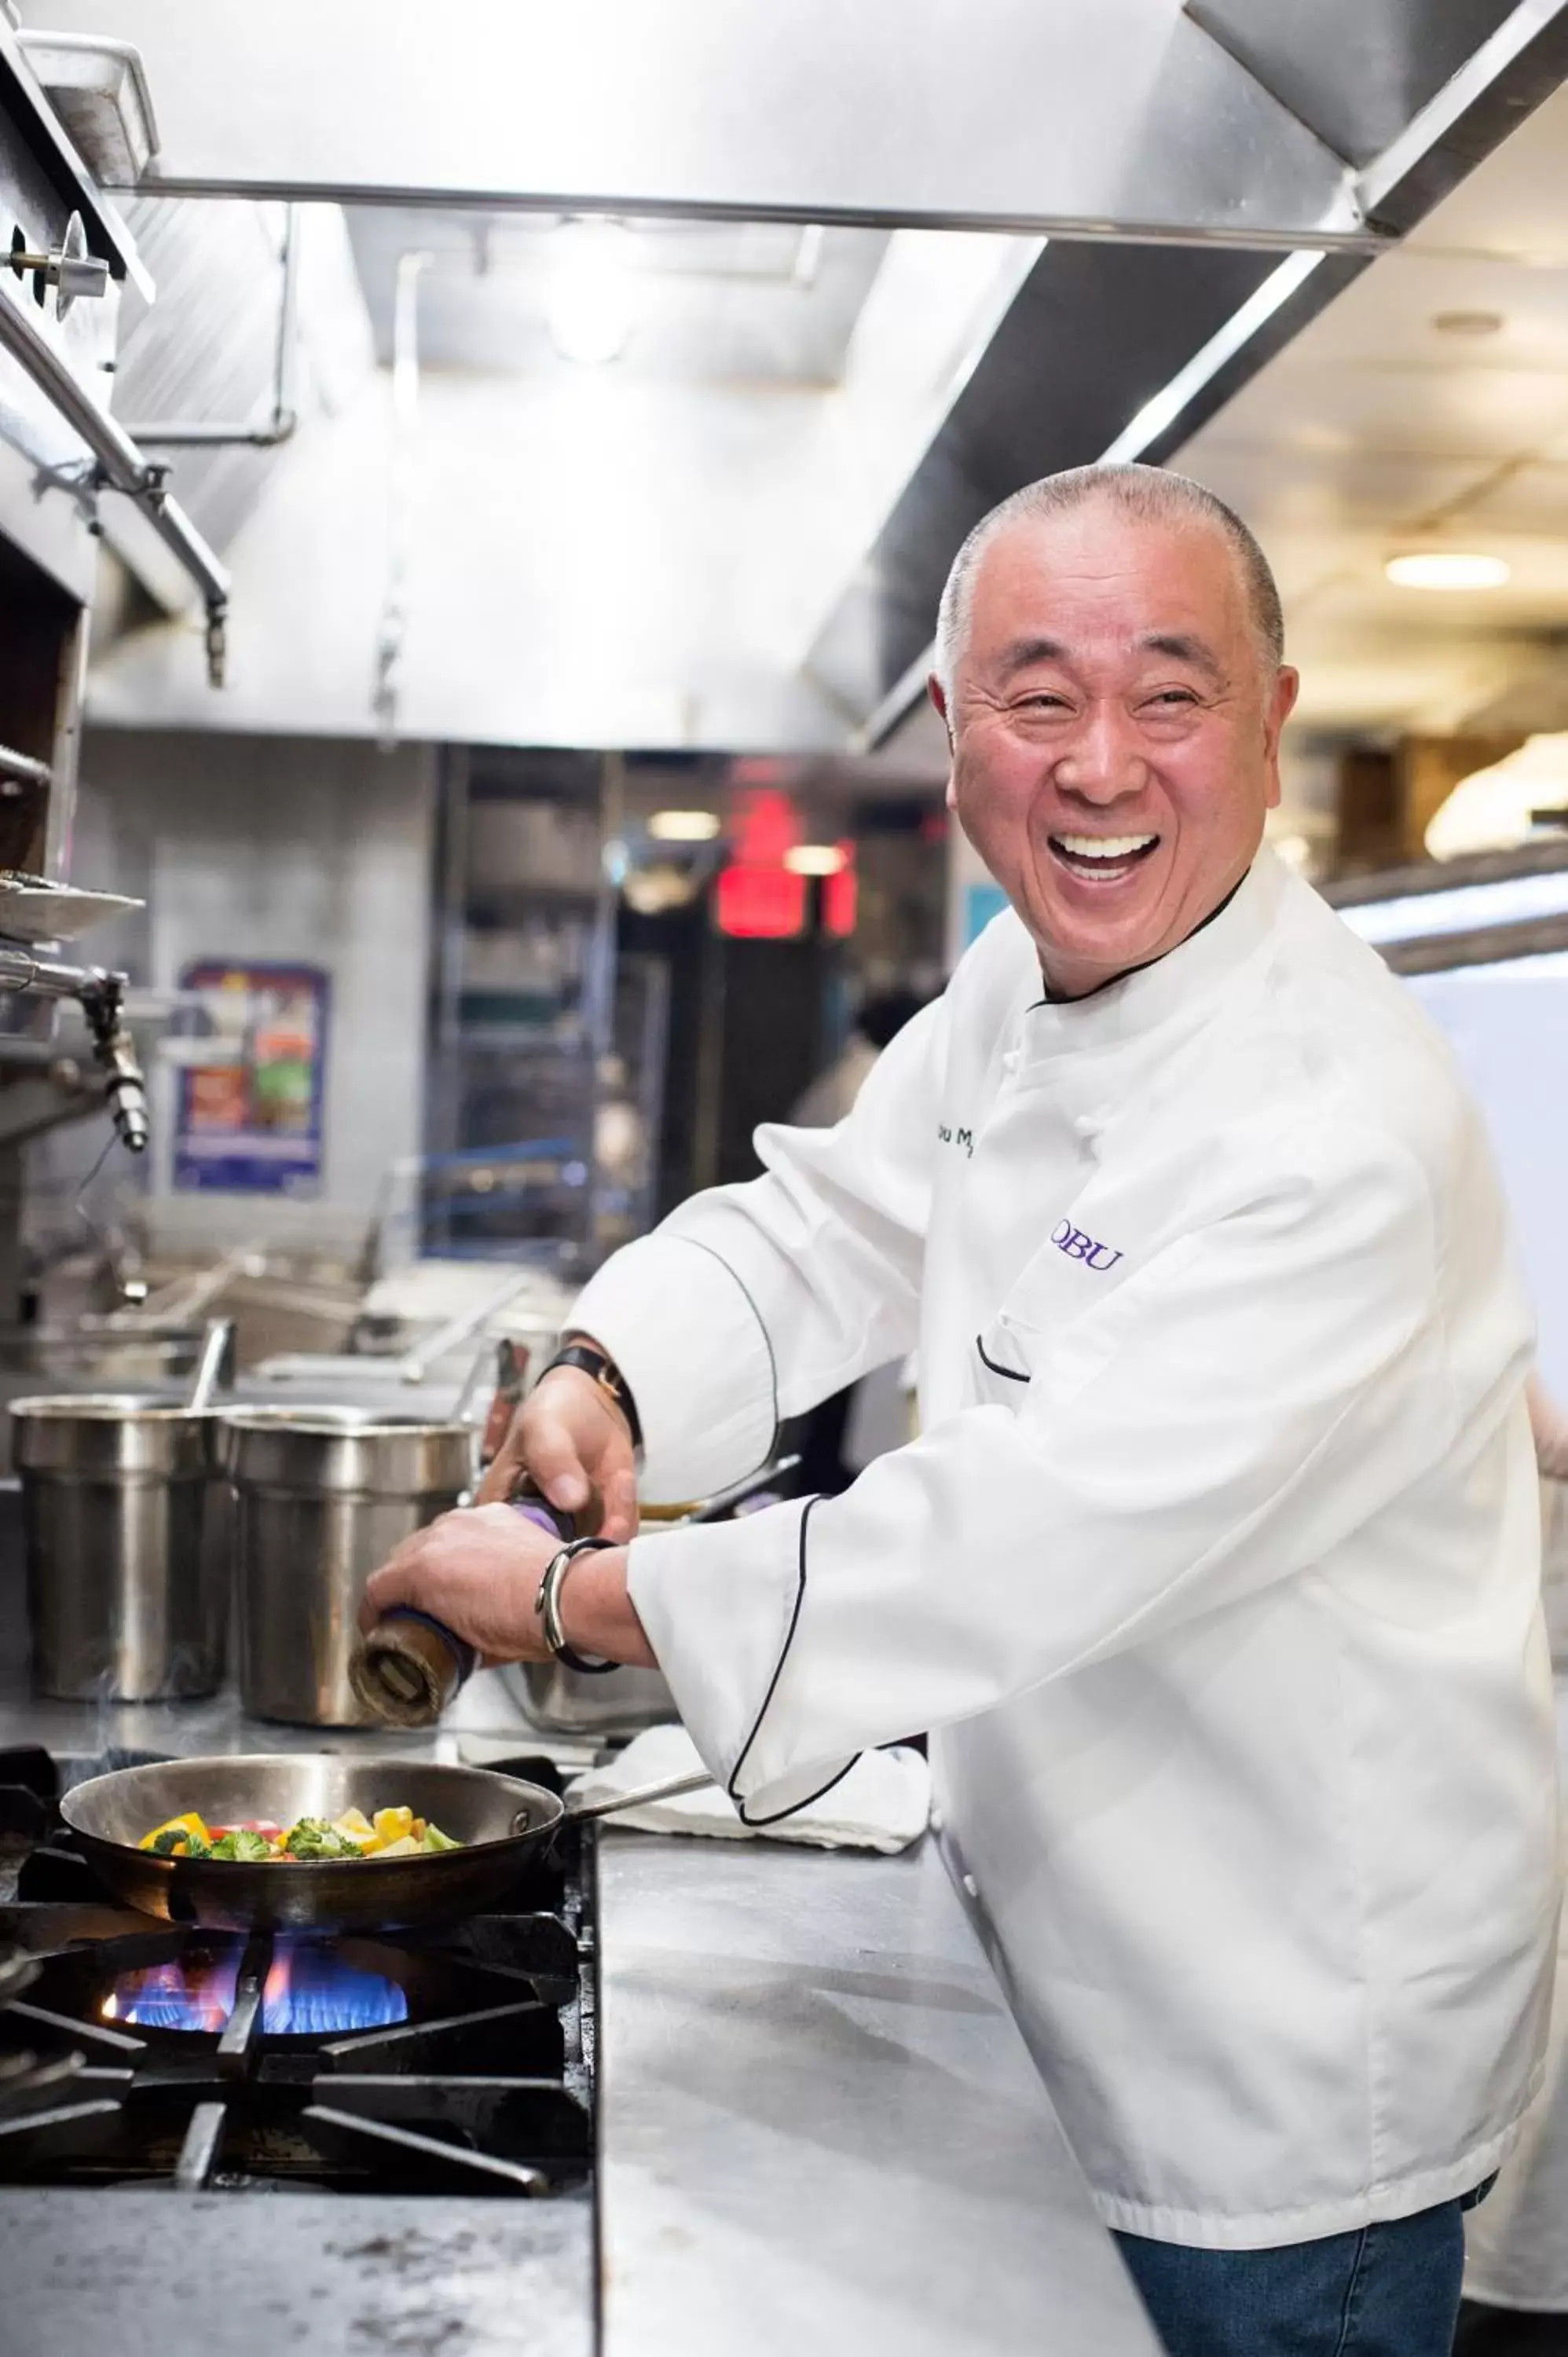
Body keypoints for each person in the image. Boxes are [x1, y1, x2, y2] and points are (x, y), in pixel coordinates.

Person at [365, 464, 1559, 2357]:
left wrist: (581, 1604)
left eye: (1168, 695)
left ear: (1268, 725)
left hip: (1269, 2057)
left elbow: (1018, 1536)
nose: (1099, 765)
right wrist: (612, 1374)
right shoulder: (1032, 974)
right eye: (1035, 693)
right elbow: (827, 1221)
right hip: (1057, 1935)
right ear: (950, 731)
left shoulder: (1333, 1129)